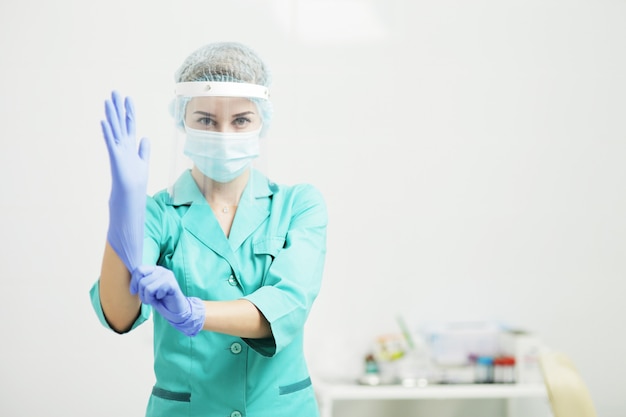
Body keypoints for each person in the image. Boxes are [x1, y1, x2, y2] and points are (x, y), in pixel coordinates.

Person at [89, 41, 328, 417]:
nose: (224, 133)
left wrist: (193, 312)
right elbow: (119, 314)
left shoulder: (298, 205)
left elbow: (289, 306)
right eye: (205, 119)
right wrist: (124, 205)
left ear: (263, 119)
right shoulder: (158, 213)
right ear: (182, 119)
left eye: (240, 120)